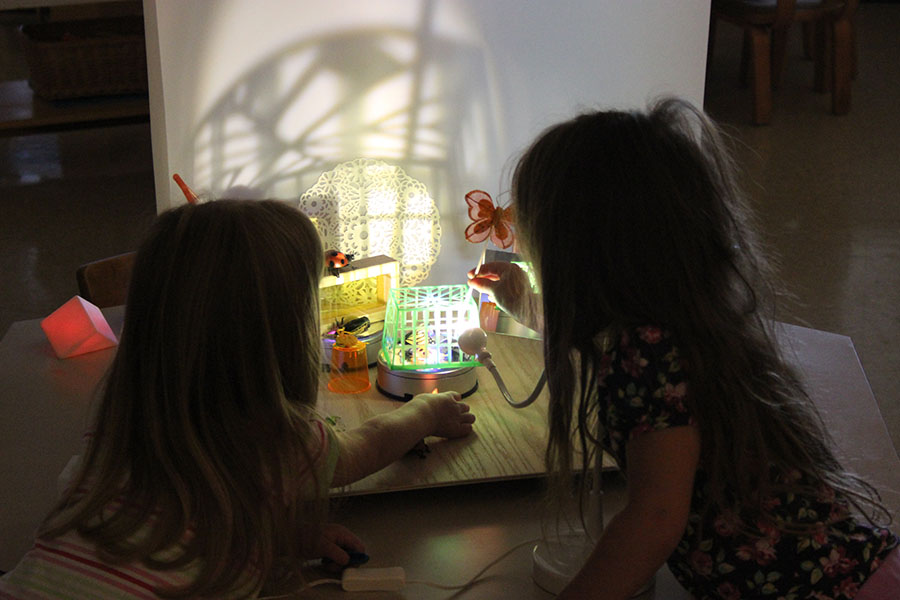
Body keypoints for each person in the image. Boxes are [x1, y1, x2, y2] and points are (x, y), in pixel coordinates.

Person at [468, 98, 898, 599]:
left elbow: (653, 519)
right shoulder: (684, 317)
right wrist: (527, 304)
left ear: (582, 250)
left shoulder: (647, 352)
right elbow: (610, 341)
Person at [0, 199, 475, 599]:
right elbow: (364, 448)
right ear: (283, 340)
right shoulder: (277, 439)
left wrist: (262, 540)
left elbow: (165, 521)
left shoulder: (120, 427)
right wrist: (427, 410)